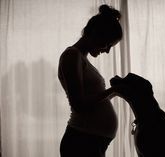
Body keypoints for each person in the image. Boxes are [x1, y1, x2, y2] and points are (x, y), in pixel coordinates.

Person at [58, 5, 123, 157]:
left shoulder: (81, 59)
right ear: (95, 34)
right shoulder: (71, 56)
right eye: (107, 44)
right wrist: (112, 90)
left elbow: (93, 101)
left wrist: (118, 90)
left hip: (90, 141)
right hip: (81, 142)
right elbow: (79, 104)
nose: (107, 51)